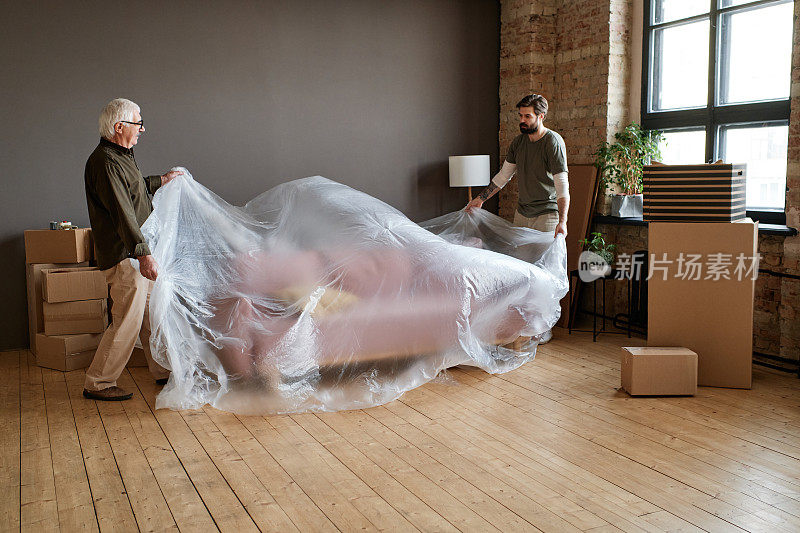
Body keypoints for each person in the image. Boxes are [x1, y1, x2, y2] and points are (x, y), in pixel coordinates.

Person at [82, 98, 182, 401]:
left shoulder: (121, 156)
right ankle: (98, 383)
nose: (141, 129)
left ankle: (163, 372)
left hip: (135, 254)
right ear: (119, 126)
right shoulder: (105, 162)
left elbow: (134, 188)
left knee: (152, 315)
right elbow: (123, 211)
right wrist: (144, 254)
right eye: (138, 124)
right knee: (127, 320)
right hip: (127, 257)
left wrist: (161, 180)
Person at [465, 93, 569, 343]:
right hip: (522, 214)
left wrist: (563, 221)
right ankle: (524, 325)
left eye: (527, 116)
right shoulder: (518, 143)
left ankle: (543, 327)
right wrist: (480, 198)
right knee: (522, 272)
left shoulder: (552, 142)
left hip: (546, 215)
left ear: (541, 116)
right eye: (520, 115)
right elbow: (503, 176)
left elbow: (562, 186)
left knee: (543, 273)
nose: (522, 120)